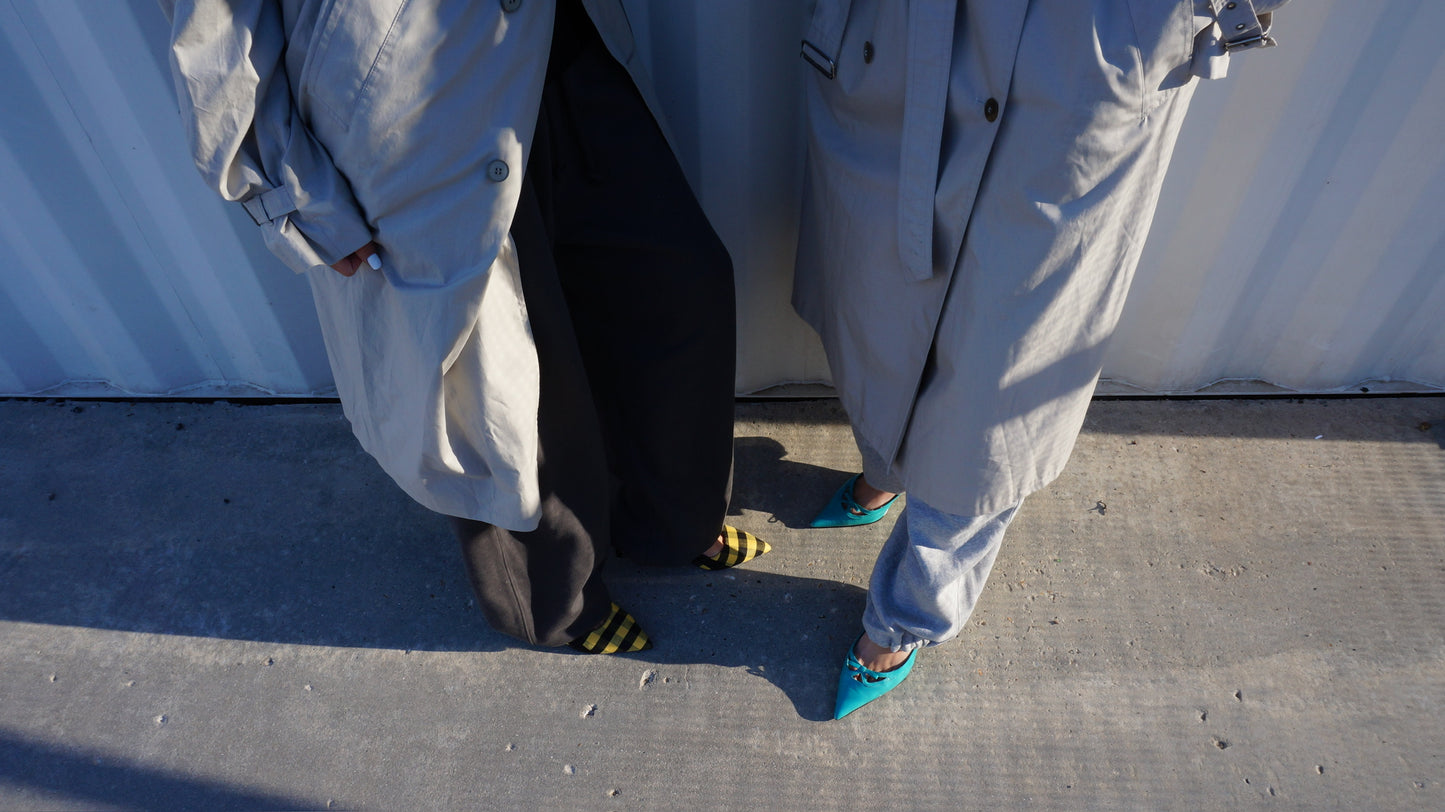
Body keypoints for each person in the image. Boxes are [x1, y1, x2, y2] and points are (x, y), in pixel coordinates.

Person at [160, 0, 768, 655]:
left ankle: (673, 522)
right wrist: (288, 186)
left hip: (548, 33)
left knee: (673, 282)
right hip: (404, 91)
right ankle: (559, 605)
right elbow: (213, 24)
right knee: (493, 386)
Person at [792, 0, 1288, 716]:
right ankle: (887, 465)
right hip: (925, 23)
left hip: (1093, 45)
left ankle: (905, 616)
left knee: (1003, 377)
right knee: (883, 282)